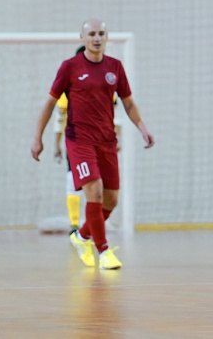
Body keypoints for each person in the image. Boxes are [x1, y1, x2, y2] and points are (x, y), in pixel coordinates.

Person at [31, 19, 155, 270]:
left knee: (110, 201)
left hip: (107, 141)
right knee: (94, 192)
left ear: (106, 37)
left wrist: (143, 128)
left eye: (101, 33)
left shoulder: (115, 67)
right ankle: (104, 250)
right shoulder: (70, 67)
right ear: (82, 37)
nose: (97, 38)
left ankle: (81, 236)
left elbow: (128, 103)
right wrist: (38, 137)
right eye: (92, 34)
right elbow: (50, 103)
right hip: (80, 140)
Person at [53, 46, 123, 235]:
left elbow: (115, 115)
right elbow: (59, 119)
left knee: (107, 193)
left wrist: (118, 137)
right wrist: (56, 144)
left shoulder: (106, 84)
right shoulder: (68, 84)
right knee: (75, 183)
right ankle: (76, 225)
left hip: (104, 141)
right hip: (79, 142)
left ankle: (89, 228)